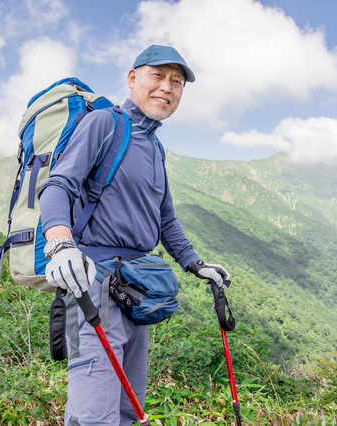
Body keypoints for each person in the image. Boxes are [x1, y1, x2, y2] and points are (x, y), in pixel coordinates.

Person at [37, 45, 231, 426]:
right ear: (132, 78)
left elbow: (166, 220)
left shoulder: (154, 147)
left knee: (128, 409)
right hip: (90, 287)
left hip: (134, 290)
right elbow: (58, 185)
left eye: (177, 81)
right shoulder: (104, 124)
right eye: (157, 75)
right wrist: (60, 242)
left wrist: (197, 265)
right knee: (94, 413)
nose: (167, 88)